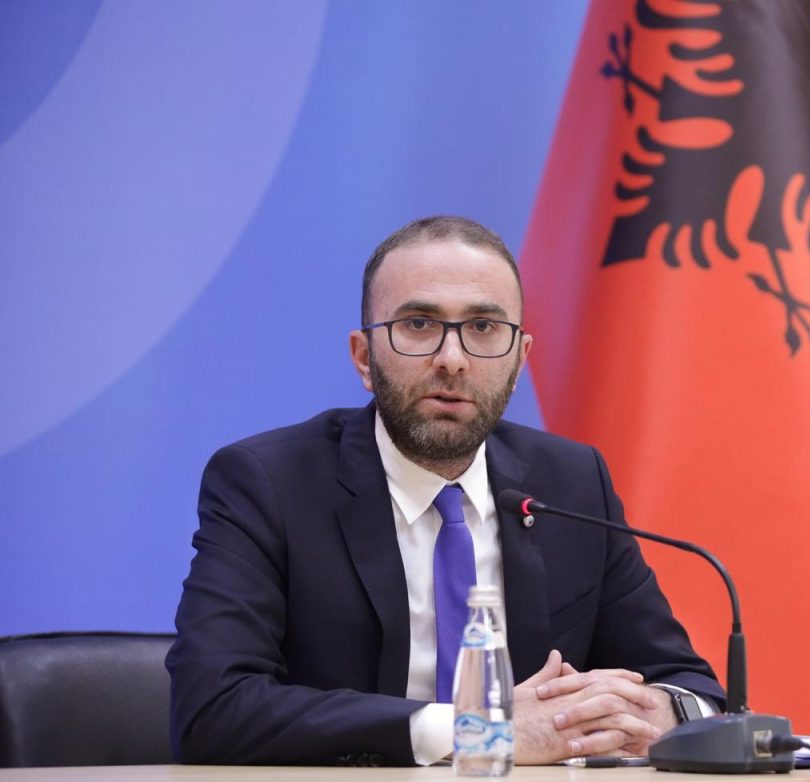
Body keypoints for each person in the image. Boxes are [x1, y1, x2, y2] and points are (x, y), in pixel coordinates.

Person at [166, 215, 725, 767]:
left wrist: (654, 712)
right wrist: (477, 730)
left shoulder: (572, 484)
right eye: (418, 324)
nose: (452, 360)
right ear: (364, 357)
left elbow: (691, 688)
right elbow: (211, 710)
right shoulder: (268, 483)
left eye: (483, 328)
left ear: (519, 359)